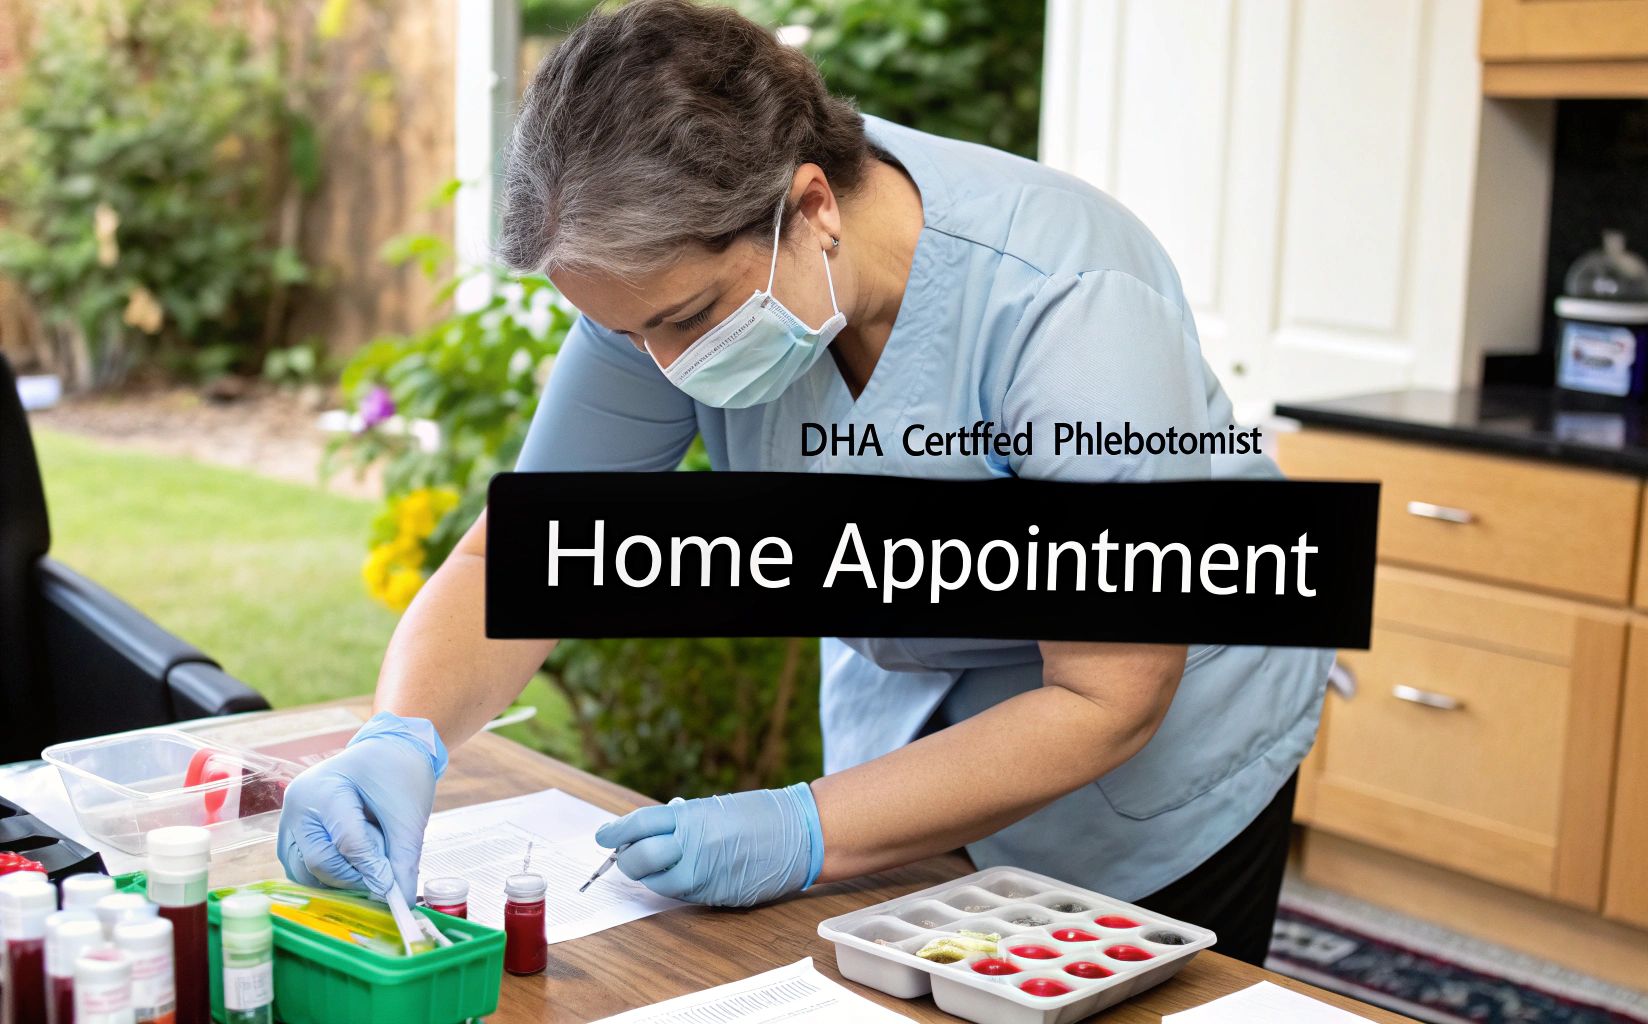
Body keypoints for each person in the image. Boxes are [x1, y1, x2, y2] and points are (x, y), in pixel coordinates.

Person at [275, 0, 1330, 965]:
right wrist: (397, 734)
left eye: (683, 319)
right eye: (619, 329)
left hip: (1158, 732)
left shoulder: (1066, 303)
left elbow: (1108, 693)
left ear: (810, 202)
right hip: (926, 708)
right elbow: (520, 557)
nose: (661, 365)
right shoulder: (666, 289)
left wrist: (802, 826)